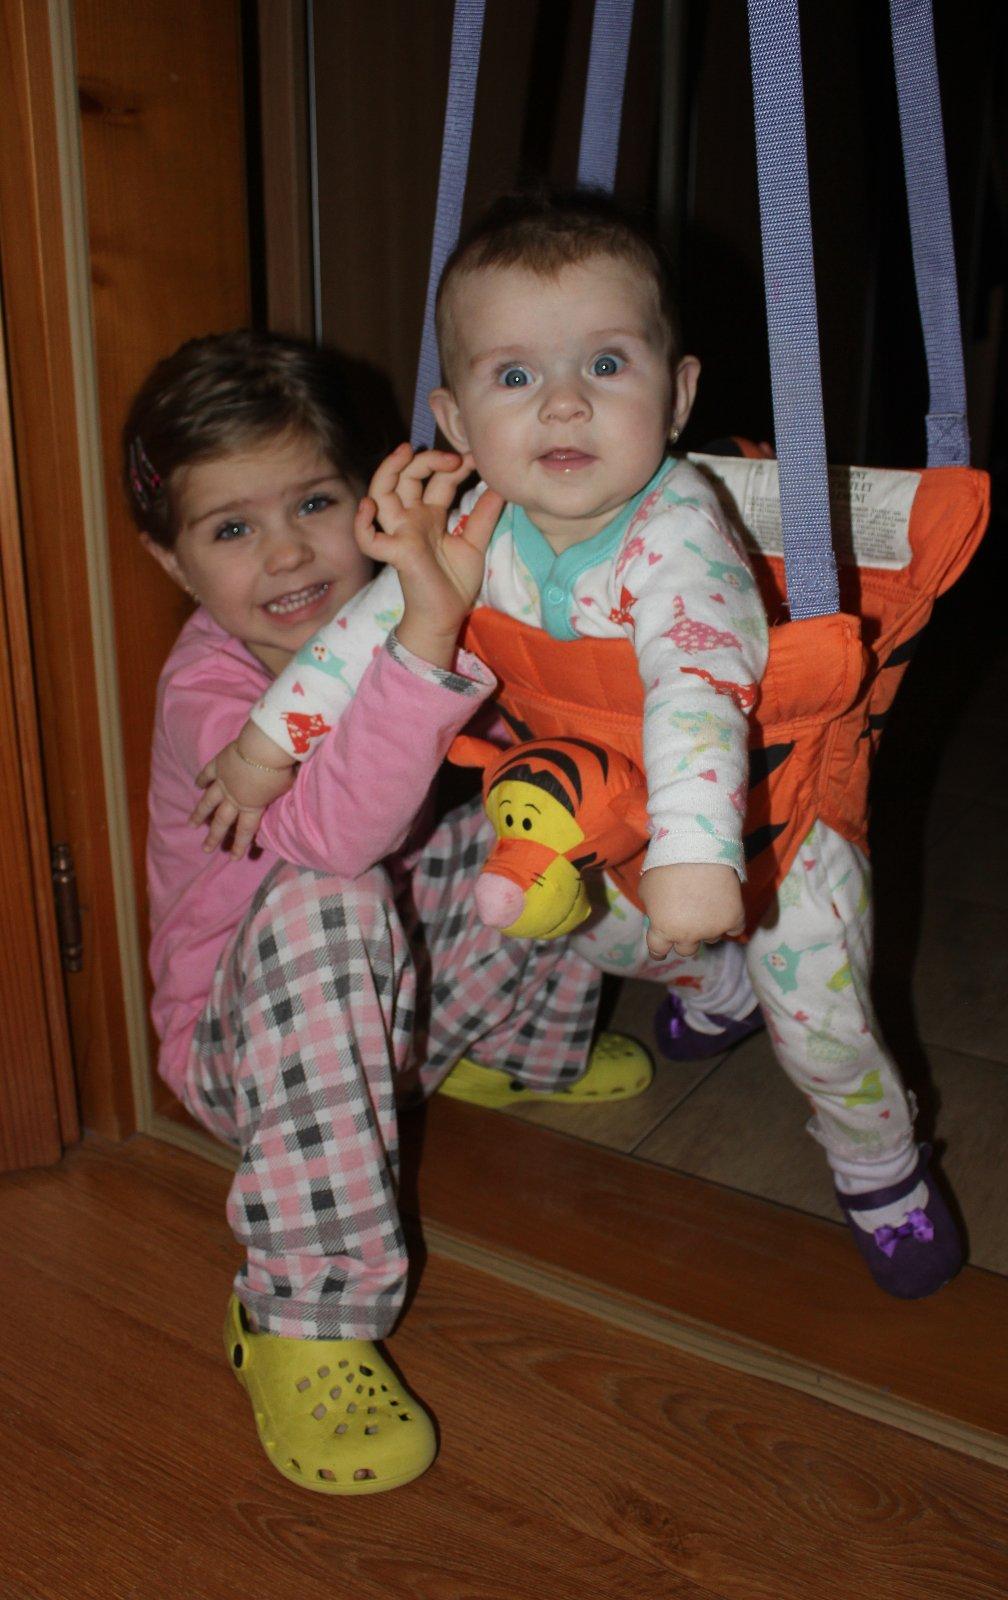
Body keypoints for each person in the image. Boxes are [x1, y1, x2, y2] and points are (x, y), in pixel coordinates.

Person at [196, 192, 964, 1300]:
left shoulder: (679, 529)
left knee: (823, 1027)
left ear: (678, 395)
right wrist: (268, 746)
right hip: (616, 820)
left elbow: (697, 691)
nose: (563, 403)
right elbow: (367, 628)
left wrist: (697, 855)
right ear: (458, 424)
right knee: (581, 933)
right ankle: (716, 980)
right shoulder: (482, 525)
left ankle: (880, 1169)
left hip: (766, 823)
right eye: (515, 376)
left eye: (606, 365)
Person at [130, 327, 647, 1497]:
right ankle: (300, 1314)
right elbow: (334, 839)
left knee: (541, 812)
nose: (288, 553)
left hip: (389, 1003)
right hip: (250, 1048)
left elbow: (504, 749)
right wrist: (423, 631)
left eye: (315, 502)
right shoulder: (209, 690)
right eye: (230, 529)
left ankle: (504, 1050)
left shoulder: (386, 609)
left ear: (369, 500)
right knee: (334, 894)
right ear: (173, 562)